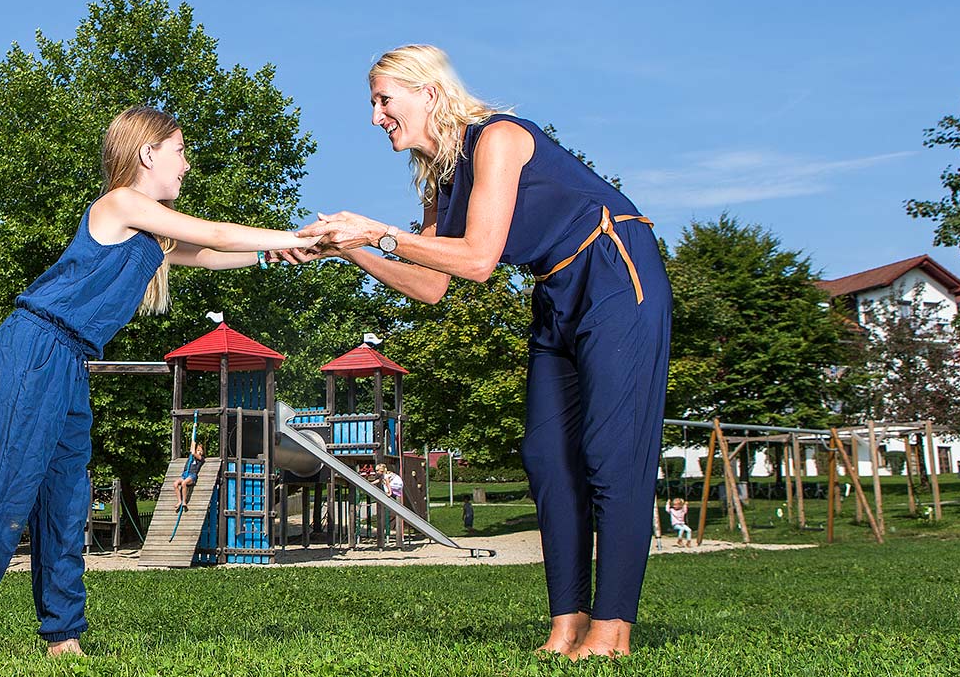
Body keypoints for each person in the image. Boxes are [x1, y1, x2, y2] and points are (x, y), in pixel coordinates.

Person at [281, 45, 671, 658]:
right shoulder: (441, 177)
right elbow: (433, 284)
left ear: (428, 92)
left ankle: (612, 628)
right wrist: (349, 249)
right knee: (545, 454)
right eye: (374, 104)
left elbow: (480, 261)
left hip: (615, 270)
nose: (376, 116)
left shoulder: (498, 139)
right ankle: (566, 625)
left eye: (384, 100)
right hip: (556, 288)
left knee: (609, 451)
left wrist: (378, 231)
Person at [0, 105, 320, 657]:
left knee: (67, 498)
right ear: (147, 153)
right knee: (7, 482)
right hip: (34, 346)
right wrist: (291, 230)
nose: (187, 164)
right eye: (180, 150)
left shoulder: (148, 231)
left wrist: (275, 252)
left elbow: (207, 253)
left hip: (68, 359)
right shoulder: (119, 204)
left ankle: (63, 636)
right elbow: (209, 231)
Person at [170, 442, 207, 510]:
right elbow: (192, 450)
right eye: (198, 450)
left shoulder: (201, 459)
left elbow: (193, 453)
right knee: (175, 484)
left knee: (184, 483)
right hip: (185, 474)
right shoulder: (191, 457)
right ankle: (179, 501)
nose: (200, 452)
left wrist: (194, 450)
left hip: (192, 475)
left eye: (201, 451)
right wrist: (193, 443)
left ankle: (184, 502)